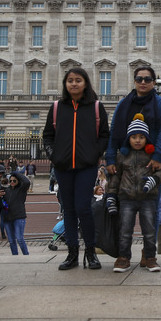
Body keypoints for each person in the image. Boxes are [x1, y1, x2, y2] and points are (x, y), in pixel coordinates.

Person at [43, 67, 110, 270]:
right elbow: (47, 135)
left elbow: (105, 135)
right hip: (63, 166)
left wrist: (95, 154)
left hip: (86, 166)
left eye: (78, 80)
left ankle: (91, 251)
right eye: (70, 80)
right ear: (65, 83)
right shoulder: (56, 107)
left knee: (84, 208)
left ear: (85, 83)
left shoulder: (96, 107)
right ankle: (72, 252)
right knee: (69, 210)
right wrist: (53, 156)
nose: (74, 84)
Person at [107, 115, 161, 273]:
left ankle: (150, 258)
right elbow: (115, 177)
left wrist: (155, 179)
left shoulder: (152, 154)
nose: (137, 140)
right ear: (129, 138)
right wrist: (111, 196)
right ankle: (123, 258)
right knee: (125, 230)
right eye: (134, 137)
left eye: (141, 137)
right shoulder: (122, 156)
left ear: (146, 139)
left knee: (148, 230)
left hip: (147, 198)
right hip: (126, 198)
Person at [106, 66, 161, 185]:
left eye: (147, 79)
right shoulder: (123, 103)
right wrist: (110, 158)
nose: (143, 82)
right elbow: (114, 131)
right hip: (126, 161)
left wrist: (157, 156)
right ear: (134, 81)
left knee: (151, 202)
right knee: (125, 201)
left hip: (151, 160)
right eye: (139, 79)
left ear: (153, 82)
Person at [3, 171, 30, 255]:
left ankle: (26, 255)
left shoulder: (22, 189)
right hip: (8, 218)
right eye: (10, 181)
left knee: (20, 239)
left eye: (14, 181)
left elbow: (26, 182)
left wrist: (17, 173)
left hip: (19, 216)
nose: (12, 182)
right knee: (11, 240)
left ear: (18, 181)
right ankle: (15, 256)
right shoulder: (7, 190)